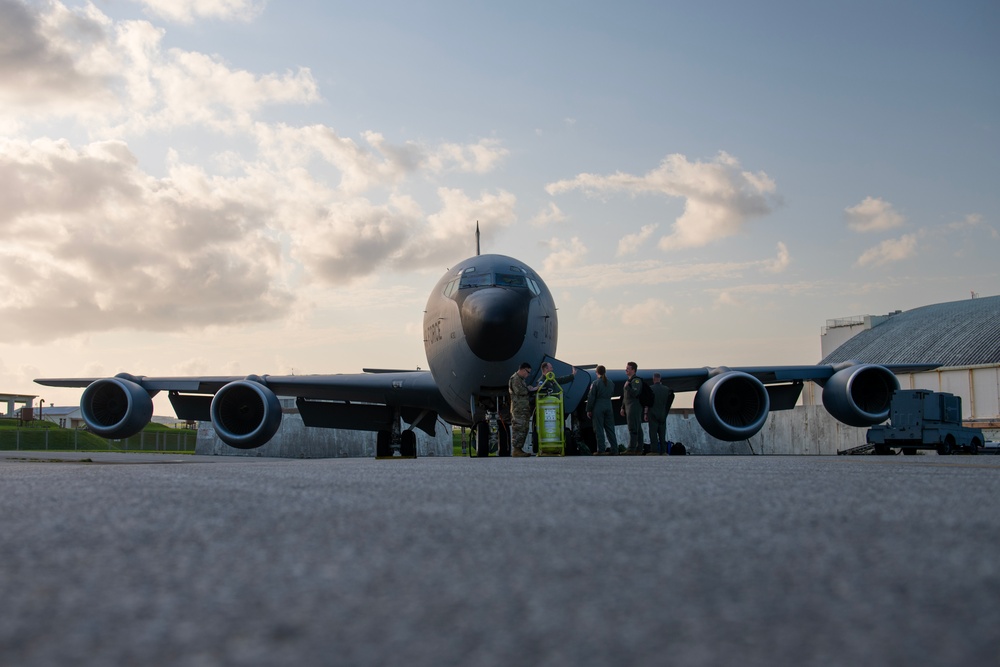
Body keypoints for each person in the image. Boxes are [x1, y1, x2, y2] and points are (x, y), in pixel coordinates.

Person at [587, 365, 619, 455]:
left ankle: (601, 449)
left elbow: (591, 397)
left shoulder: (596, 383)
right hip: (608, 405)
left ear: (597, 372)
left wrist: (589, 409)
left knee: (599, 428)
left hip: (598, 406)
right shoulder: (611, 383)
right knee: (610, 429)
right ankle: (614, 449)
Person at [645, 372, 675, 455]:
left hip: (653, 413)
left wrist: (645, 413)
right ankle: (663, 451)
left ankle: (654, 450)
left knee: (653, 432)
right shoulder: (666, 389)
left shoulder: (650, 389)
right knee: (662, 433)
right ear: (660, 379)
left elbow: (647, 402)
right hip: (662, 413)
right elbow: (670, 399)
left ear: (654, 379)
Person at [508, 362, 533, 457]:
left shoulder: (521, 379)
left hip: (523, 409)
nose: (528, 375)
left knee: (524, 428)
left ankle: (519, 449)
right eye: (527, 372)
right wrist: (529, 389)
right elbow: (519, 391)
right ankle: (516, 450)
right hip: (518, 409)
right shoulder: (515, 379)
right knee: (518, 428)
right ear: (523, 370)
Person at [619, 361, 645, 454]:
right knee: (636, 427)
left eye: (628, 368)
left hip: (634, 407)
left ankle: (632, 448)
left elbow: (635, 393)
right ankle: (638, 449)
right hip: (628, 406)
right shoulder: (628, 381)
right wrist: (622, 407)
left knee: (633, 427)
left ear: (633, 370)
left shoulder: (636, 381)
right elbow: (625, 396)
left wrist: (628, 387)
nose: (626, 370)